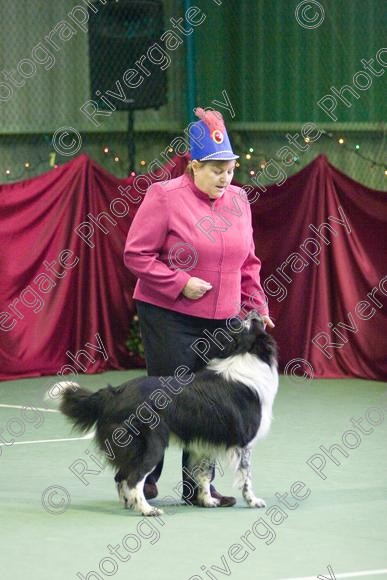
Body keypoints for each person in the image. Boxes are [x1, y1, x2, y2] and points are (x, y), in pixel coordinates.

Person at [123, 107, 274, 507]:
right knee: (169, 397)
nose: (226, 178)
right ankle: (142, 476)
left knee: (209, 404)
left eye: (230, 169)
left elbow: (249, 261)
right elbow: (136, 255)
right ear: (193, 166)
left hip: (222, 321)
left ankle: (198, 486)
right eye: (216, 170)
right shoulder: (165, 197)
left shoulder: (239, 200)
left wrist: (257, 304)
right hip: (169, 316)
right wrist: (180, 282)